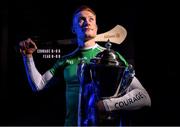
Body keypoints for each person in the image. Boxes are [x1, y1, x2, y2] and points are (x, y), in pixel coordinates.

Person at [19, 5, 151, 126]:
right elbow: (38, 85)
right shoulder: (65, 60)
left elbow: (143, 97)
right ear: (73, 29)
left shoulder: (111, 58)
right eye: (81, 19)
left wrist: (108, 105)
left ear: (96, 27)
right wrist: (27, 56)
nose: (87, 22)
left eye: (91, 19)